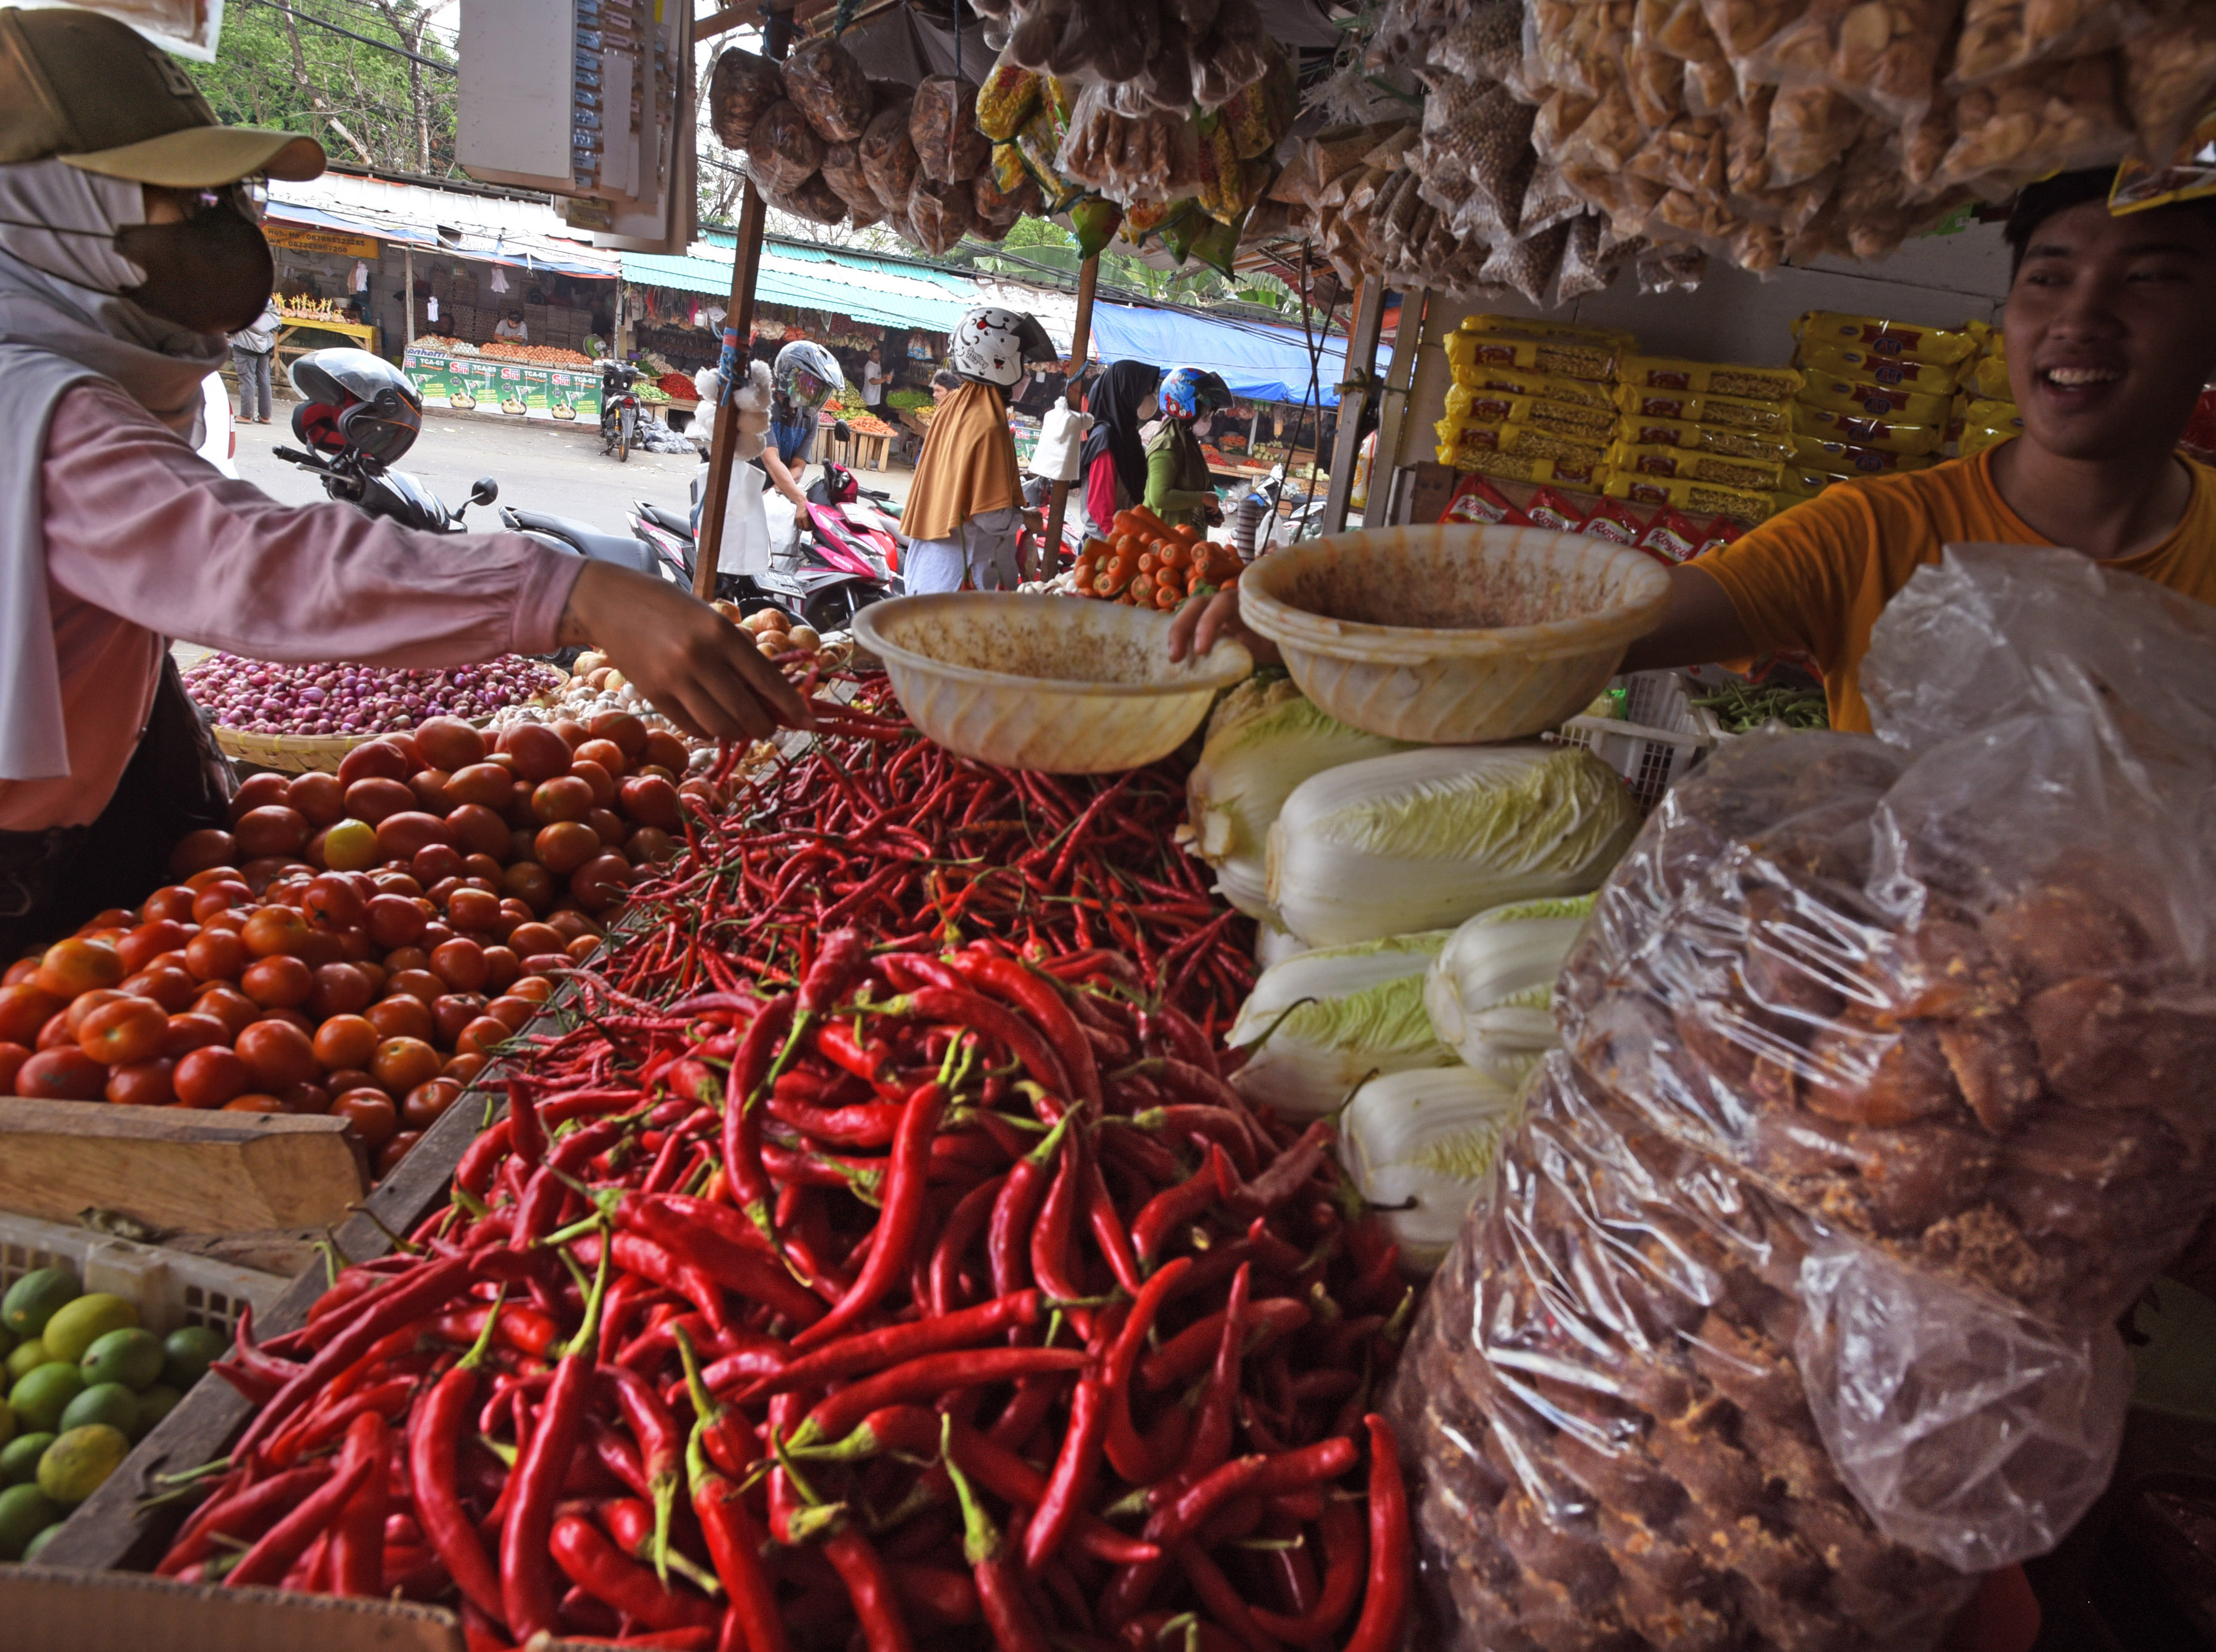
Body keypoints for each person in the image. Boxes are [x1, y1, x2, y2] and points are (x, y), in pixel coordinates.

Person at [0, 6, 807, 952]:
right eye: (182, 200)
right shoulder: (33, 408)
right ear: (49, 212)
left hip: (95, 811)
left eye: (228, 198)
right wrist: (573, 589)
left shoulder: (87, 373)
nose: (221, 231)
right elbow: (247, 562)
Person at [1173, 169, 2216, 712]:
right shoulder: (1879, 534)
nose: (2081, 316)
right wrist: (1321, 624)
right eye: (2049, 275)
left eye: (2149, 277)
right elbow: (1599, 631)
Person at [903, 305, 1055, 596]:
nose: (1025, 375)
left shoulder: (955, 405)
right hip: (962, 582)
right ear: (998, 362)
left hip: (931, 572)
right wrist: (1025, 519)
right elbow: (989, 515)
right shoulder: (989, 424)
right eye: (1022, 364)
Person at [1079, 361, 1161, 539]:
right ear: (1126, 391)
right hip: (1105, 542)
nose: (1150, 397)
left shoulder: (1127, 435)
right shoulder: (1107, 438)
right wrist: (1119, 543)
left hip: (1125, 536)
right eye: (1145, 391)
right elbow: (1100, 509)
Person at [1145, 367, 1230, 533]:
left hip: (1186, 540)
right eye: (1205, 413)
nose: (1208, 419)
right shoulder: (1166, 445)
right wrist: (1203, 498)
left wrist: (1208, 512)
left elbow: (1190, 489)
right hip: (1163, 543)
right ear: (1186, 407)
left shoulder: (1187, 440)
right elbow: (1159, 497)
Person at [228, 295, 277, 423]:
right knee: (264, 379)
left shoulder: (242, 300)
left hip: (244, 345)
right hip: (265, 347)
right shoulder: (268, 301)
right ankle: (265, 416)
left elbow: (230, 324)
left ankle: (246, 415)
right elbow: (277, 326)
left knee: (247, 379)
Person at [861, 345, 884, 409]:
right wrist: (885, 379)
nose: (878, 356)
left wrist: (884, 376)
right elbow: (872, 381)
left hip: (875, 397)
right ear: (870, 355)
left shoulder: (878, 362)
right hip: (869, 399)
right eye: (875, 354)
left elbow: (877, 375)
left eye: (879, 354)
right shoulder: (870, 367)